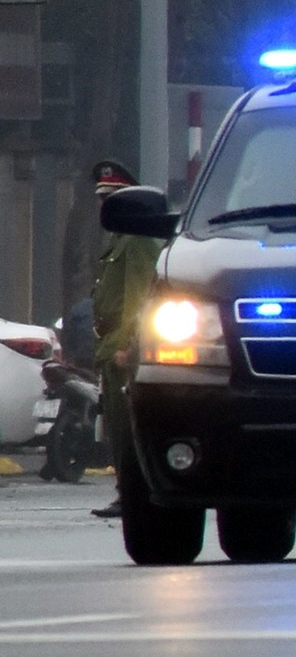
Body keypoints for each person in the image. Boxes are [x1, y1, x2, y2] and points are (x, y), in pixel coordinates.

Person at [88, 160, 164, 520]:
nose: (105, 207)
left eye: (113, 200)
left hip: (123, 347)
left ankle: (134, 491)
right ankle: (125, 489)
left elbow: (141, 296)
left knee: (126, 428)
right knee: (116, 429)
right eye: (103, 200)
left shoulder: (137, 241)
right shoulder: (118, 241)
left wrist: (130, 344)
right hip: (108, 344)